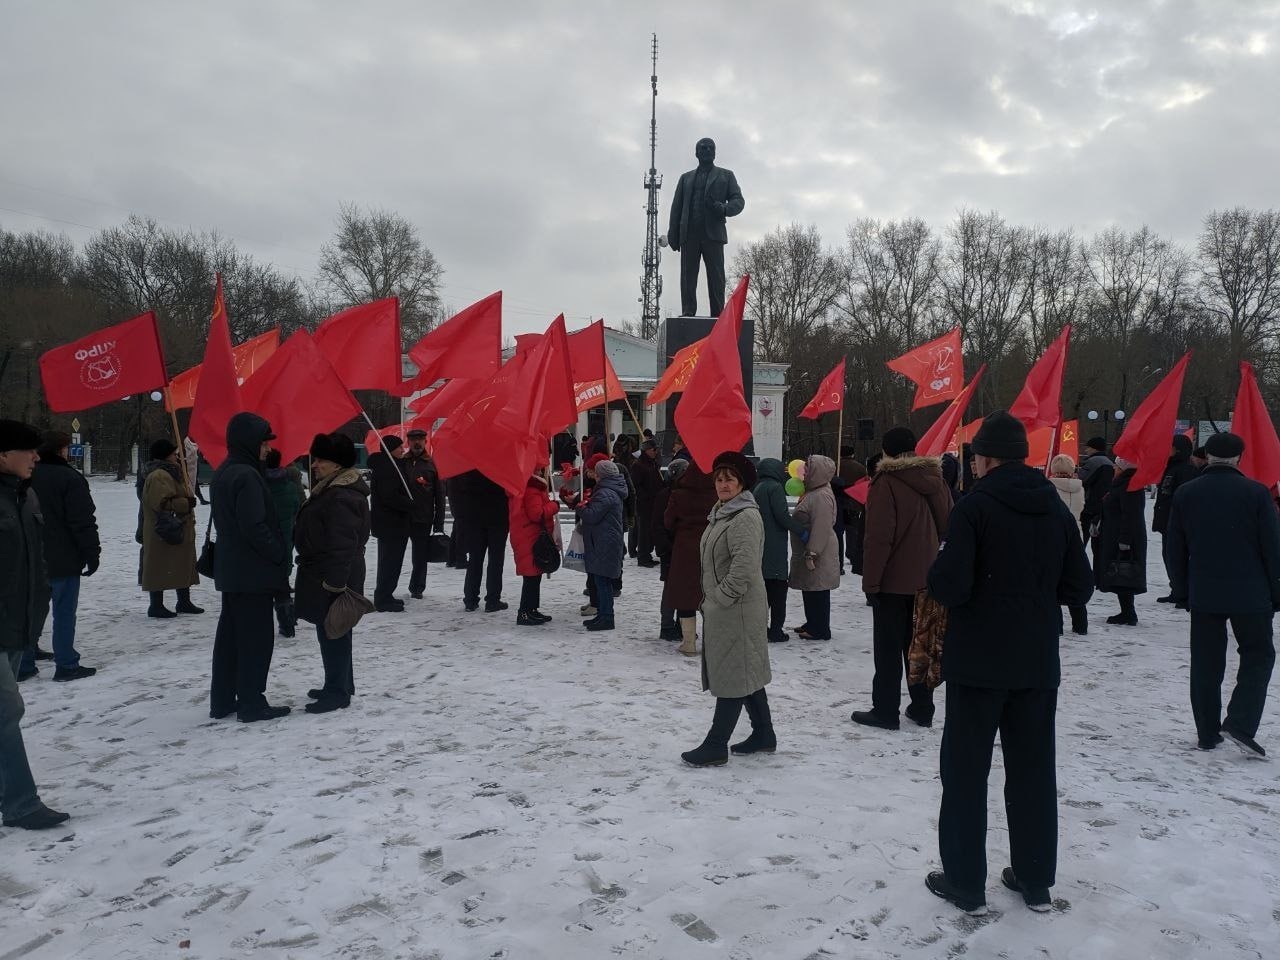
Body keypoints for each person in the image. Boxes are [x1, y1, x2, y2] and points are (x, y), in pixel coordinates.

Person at [925, 412, 1093, 915]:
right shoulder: (1054, 506)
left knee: (965, 772)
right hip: (1036, 660)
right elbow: (1079, 586)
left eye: (976, 457)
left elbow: (949, 584)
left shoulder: (974, 508)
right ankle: (1035, 876)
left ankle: (964, 880)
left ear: (987, 459)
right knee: (1033, 770)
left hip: (979, 660)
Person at [1167, 432, 1280, 755]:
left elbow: (1175, 547)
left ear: (1207, 457)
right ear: (1239, 459)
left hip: (1205, 591)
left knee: (1205, 662)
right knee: (1258, 656)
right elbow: (1272, 547)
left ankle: (1206, 732)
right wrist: (1276, 590)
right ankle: (1240, 722)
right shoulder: (1257, 494)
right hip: (1252, 591)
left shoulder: (1187, 493)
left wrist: (1182, 589)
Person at [854, 428, 952, 729]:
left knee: (887, 648)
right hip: (927, 576)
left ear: (886, 452)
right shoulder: (935, 479)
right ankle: (923, 707)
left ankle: (885, 710)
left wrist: (870, 582)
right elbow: (949, 522)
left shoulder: (886, 482)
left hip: (893, 580)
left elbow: (879, 538)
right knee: (919, 645)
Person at [681, 452, 775, 766]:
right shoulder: (723, 512)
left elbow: (744, 568)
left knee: (734, 673)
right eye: (719, 479)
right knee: (745, 669)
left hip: (738, 609)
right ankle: (764, 734)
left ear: (742, 483)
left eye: (729, 479)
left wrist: (719, 599)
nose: (723, 484)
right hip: (727, 608)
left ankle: (716, 743)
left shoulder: (745, 516)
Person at [0, 420, 70, 829]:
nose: (37, 457)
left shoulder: (25, 498)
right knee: (7, 711)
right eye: (28, 450)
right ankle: (22, 804)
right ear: (4, 455)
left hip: (17, 626)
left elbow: (34, 562)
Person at [210, 413, 290, 723]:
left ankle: (223, 699)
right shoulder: (247, 475)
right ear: (250, 442)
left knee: (230, 639)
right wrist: (278, 554)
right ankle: (252, 702)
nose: (268, 449)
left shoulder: (225, 471)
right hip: (253, 573)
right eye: (264, 443)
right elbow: (255, 526)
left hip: (232, 571)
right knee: (256, 640)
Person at [293, 432, 370, 714]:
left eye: (321, 459)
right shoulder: (332, 489)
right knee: (336, 628)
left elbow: (342, 545)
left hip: (333, 575)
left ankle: (337, 692)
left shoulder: (341, 495)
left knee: (334, 629)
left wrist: (335, 584)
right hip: (326, 572)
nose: (315, 465)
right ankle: (339, 683)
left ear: (337, 464)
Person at [21, 431, 100, 681]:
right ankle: (66, 663)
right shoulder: (69, 478)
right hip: (63, 556)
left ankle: (24, 661)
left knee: (31, 610)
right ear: (61, 450)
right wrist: (92, 551)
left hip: (30, 555)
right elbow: (82, 520)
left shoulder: (24, 476)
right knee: (64, 612)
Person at [667, 137, 746, 317]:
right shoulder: (685, 179)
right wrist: (673, 233)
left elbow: (739, 201)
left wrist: (723, 208)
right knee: (688, 277)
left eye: (711, 148)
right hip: (690, 234)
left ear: (715, 152)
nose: (707, 151)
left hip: (713, 234)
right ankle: (688, 310)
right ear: (696, 153)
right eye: (703, 148)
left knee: (716, 277)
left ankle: (718, 313)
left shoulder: (726, 175)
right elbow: (676, 207)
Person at [139, 439, 202, 619]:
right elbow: (161, 503)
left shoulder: (172, 472)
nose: (177, 455)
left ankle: (184, 601)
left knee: (182, 564)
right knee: (160, 566)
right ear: (165, 454)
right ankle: (156, 605)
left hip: (176, 528)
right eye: (174, 453)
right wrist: (186, 503)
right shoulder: (159, 475)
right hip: (164, 530)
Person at [664, 459, 719, 655]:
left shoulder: (678, 494)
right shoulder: (716, 495)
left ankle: (688, 643)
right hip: (711, 548)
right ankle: (713, 643)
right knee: (710, 594)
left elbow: (668, 521)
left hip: (684, 550)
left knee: (686, 596)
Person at [568, 459, 627, 631]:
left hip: (604, 542)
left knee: (603, 581)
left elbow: (592, 515)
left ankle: (607, 617)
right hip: (603, 540)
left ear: (601, 475)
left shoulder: (605, 492)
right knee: (602, 580)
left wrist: (580, 506)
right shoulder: (608, 490)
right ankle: (603, 615)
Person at [788, 455, 840, 640]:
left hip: (818, 551)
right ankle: (812, 622)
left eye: (809, 468)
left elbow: (821, 526)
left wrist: (812, 552)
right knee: (810, 587)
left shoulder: (820, 496)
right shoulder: (815, 492)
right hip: (812, 549)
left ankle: (819, 629)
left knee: (818, 589)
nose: (804, 471)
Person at [753, 458, 805, 643]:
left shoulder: (758, 487)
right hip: (774, 546)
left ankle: (761, 627)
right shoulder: (774, 488)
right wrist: (801, 530)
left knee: (763, 592)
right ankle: (776, 630)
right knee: (778, 592)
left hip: (761, 545)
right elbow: (782, 516)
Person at [1094, 457, 1147, 626]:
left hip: (1123, 537)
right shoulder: (1121, 484)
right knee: (1120, 572)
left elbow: (1130, 515)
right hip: (1115, 534)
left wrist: (1125, 540)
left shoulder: (1129, 485)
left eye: (1116, 467)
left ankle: (1128, 613)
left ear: (1124, 468)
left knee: (1124, 572)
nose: (1114, 470)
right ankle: (1126, 610)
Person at [367, 436, 414, 612]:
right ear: (390, 449)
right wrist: (410, 504)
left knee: (392, 562)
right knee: (389, 562)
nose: (403, 450)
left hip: (393, 523)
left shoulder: (392, 465)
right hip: (390, 523)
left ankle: (386, 594)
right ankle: (383, 598)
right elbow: (389, 496)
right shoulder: (387, 468)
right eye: (399, 447)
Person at [1152, 435, 1200, 602]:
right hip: (1168, 520)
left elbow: (1185, 497)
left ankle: (1184, 593)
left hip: (1178, 522)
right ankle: (1177, 590)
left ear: (1178, 449)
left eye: (1170, 446)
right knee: (1170, 556)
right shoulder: (1172, 467)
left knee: (1178, 557)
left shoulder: (1186, 469)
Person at [456, 469, 510, 612]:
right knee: (495, 560)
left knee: (475, 560)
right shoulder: (500, 467)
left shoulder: (470, 468)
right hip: (497, 518)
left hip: (475, 519)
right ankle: (492, 600)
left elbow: (462, 491)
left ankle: (470, 599)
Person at [264, 448, 305, 637]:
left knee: (263, 584)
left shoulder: (259, 485)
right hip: (285, 537)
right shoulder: (288, 485)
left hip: (263, 539)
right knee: (282, 582)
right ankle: (287, 621)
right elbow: (297, 506)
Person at [509, 470, 558, 626]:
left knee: (535, 575)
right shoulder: (532, 489)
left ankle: (532, 610)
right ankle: (524, 612)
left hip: (529, 536)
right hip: (531, 537)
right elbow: (536, 514)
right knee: (531, 577)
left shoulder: (529, 488)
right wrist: (553, 506)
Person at [402, 428, 447, 600]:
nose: (417, 443)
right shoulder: (401, 463)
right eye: (413, 440)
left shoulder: (432, 464)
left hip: (423, 518)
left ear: (425, 442)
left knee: (419, 556)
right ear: (408, 442)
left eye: (420, 439)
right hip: (403, 516)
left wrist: (439, 521)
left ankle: (417, 587)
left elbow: (440, 496)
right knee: (395, 554)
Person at [1049, 454, 1088, 636]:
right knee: (1074, 578)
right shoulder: (1079, 487)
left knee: (1053, 582)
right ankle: (1081, 624)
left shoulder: (1050, 488)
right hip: (1076, 535)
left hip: (1055, 537)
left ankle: (1057, 625)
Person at [653, 458, 689, 640]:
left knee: (683, 589)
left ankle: (681, 625)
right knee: (670, 590)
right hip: (671, 549)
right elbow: (659, 525)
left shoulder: (686, 494)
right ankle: (667, 626)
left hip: (682, 548)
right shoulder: (666, 495)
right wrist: (665, 548)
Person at [1077, 437, 1114, 566]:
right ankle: (1099, 576)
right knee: (1099, 547)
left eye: (1088, 447)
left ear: (1094, 448)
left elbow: (1081, 482)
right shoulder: (1110, 463)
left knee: (1080, 542)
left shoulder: (1093, 462)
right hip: (1103, 508)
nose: (1086, 450)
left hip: (1088, 507)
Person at [630, 439, 663, 567]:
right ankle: (642, 557)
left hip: (653, 503)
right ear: (646, 450)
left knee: (650, 531)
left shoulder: (652, 464)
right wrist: (646, 496)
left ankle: (647, 554)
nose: (656, 452)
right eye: (654, 449)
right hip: (644, 505)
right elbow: (635, 486)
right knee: (644, 532)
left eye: (657, 449)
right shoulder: (638, 465)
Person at [184, 436, 207, 505]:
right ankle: (200, 499)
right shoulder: (187, 442)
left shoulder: (195, 443)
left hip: (194, 467)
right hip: (189, 468)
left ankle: (201, 499)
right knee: (193, 484)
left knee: (194, 484)